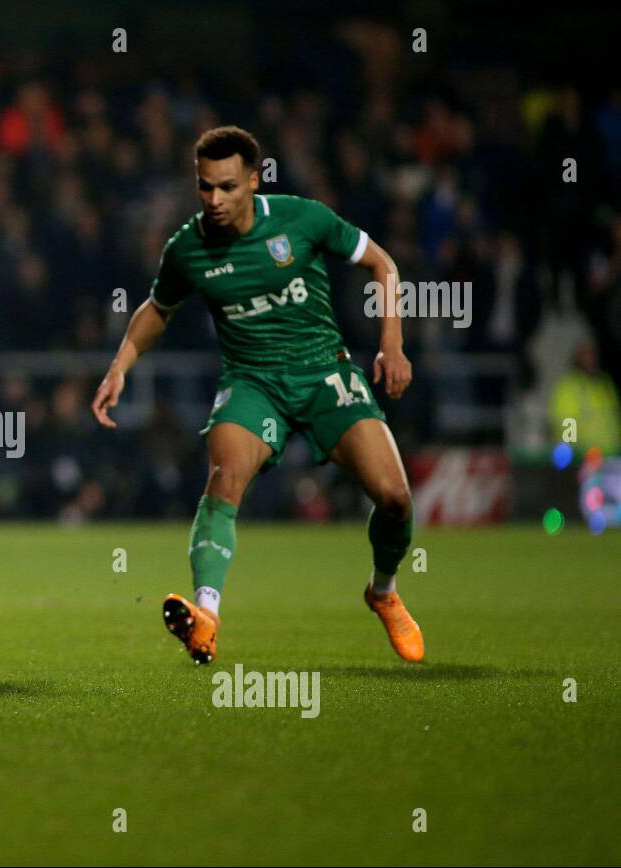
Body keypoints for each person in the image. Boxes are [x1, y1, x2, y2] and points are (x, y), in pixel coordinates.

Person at [91, 126, 424, 665]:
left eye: (226, 186)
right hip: (251, 382)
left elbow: (382, 264)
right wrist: (119, 367)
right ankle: (207, 616)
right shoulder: (188, 248)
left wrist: (392, 344)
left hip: (323, 374)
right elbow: (157, 310)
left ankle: (382, 592)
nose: (214, 200)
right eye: (204, 187)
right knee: (223, 482)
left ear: (254, 179)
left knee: (396, 499)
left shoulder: (302, 218)